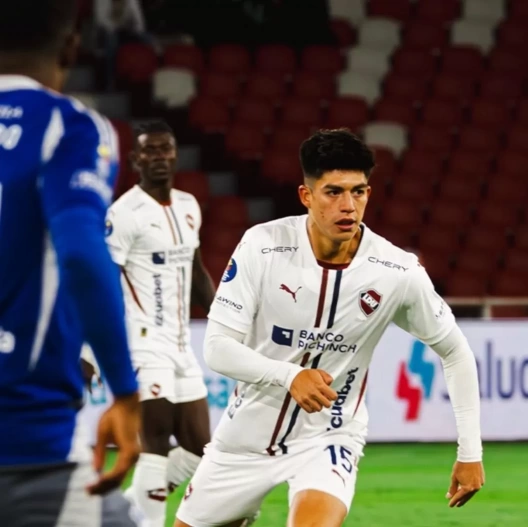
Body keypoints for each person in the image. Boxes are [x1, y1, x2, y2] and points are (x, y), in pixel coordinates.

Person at [175, 129, 485, 527]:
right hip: (244, 439)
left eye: (358, 192)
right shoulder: (263, 246)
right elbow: (217, 347)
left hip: (328, 436)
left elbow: (455, 351)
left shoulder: (396, 271)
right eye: (333, 192)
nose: (348, 206)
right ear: (306, 196)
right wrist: (290, 376)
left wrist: (470, 452)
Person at [0, 1, 140, 526]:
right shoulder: (70, 128)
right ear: (70, 47)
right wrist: (124, 391)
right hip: (31, 446)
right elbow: (81, 254)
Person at [99, 120, 216, 527]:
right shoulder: (123, 213)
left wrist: (226, 318)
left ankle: (126, 511)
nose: (159, 157)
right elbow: (104, 283)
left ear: (175, 155)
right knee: (155, 443)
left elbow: (197, 271)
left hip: (182, 345)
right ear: (135, 159)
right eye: (149, 150)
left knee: (201, 451)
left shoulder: (188, 206)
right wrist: (93, 353)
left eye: (165, 149)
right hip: (143, 343)